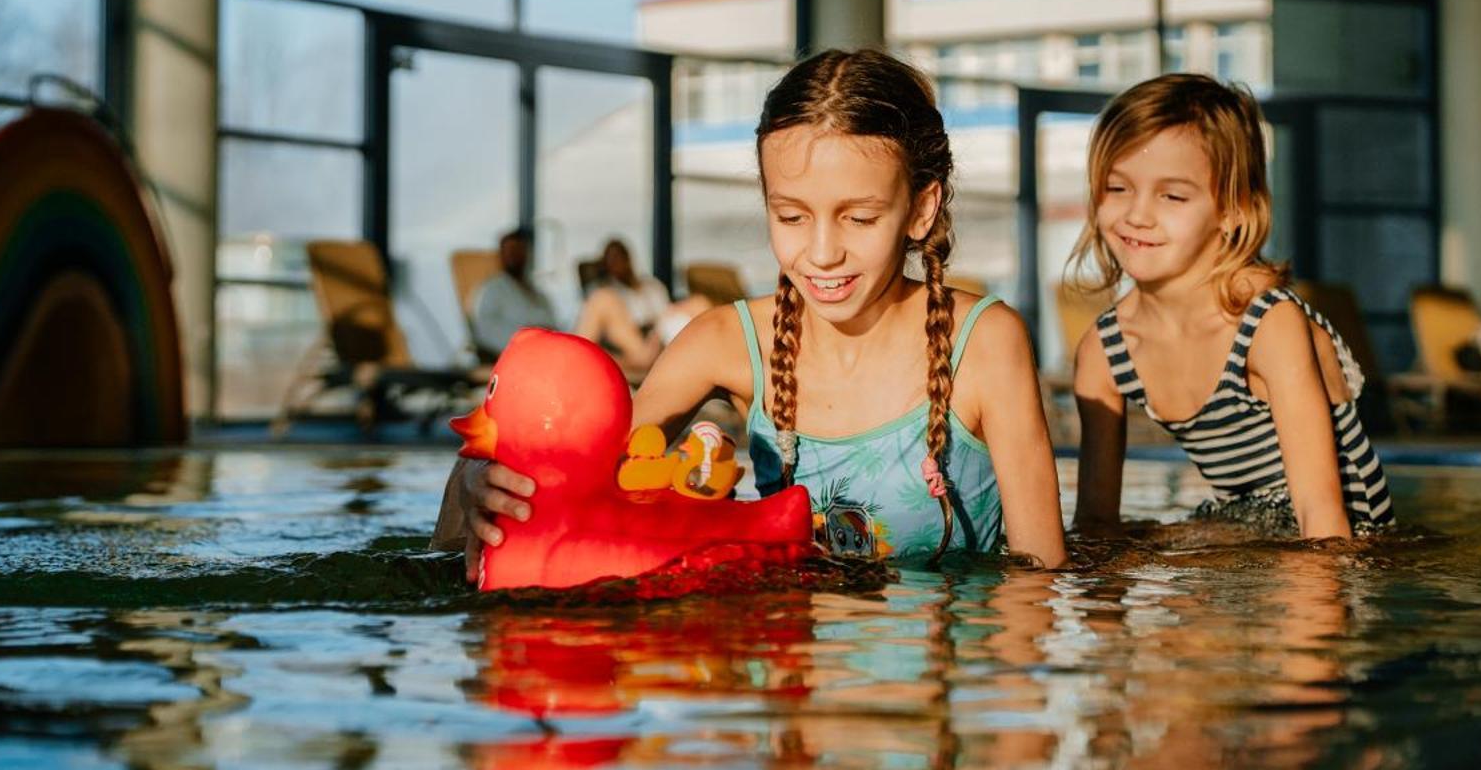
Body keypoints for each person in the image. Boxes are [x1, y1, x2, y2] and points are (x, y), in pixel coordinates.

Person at [440, 48, 1067, 575]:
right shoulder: (724, 342)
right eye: (791, 216)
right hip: (784, 692)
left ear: (921, 209)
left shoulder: (985, 342)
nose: (822, 252)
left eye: (860, 217)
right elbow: (531, 495)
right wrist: (475, 490)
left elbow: (1042, 577)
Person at [1069, 73, 1394, 539]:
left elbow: (1323, 523)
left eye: (1173, 195)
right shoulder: (1104, 350)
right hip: (1252, 528)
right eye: (1117, 188)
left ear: (1233, 210)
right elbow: (1096, 525)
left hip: (1352, 545)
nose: (1137, 214)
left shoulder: (1267, 323)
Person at [572, 238, 703, 380]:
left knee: (698, 303)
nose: (617, 263)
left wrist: (659, 330)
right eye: (611, 259)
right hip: (634, 337)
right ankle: (582, 361)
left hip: (661, 331)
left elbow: (665, 311)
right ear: (605, 264)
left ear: (628, 259)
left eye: (620, 257)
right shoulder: (604, 290)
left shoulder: (652, 285)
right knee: (602, 299)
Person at [470, 227, 557, 361]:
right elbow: (485, 329)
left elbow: (552, 322)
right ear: (501, 255)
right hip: (515, 357)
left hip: (548, 352)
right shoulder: (492, 289)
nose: (514, 256)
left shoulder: (538, 293)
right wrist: (527, 343)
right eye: (510, 251)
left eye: (518, 250)